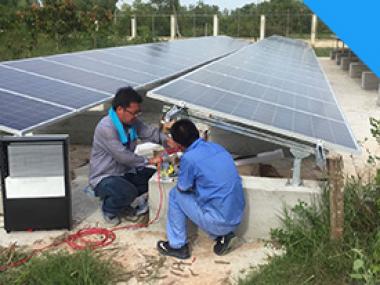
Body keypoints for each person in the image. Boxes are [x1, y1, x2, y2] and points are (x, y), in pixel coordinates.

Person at [157, 119, 245, 259]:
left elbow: (183, 187)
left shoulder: (190, 158)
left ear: (178, 143)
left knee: (175, 194)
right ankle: (224, 237)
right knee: (207, 193)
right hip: (236, 216)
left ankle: (177, 246)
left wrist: (181, 168)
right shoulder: (217, 147)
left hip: (219, 221)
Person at [89, 86, 169, 225]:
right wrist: (149, 160)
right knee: (128, 192)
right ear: (120, 109)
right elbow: (123, 156)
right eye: (133, 113)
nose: (136, 116)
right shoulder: (106, 127)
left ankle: (122, 199)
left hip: (125, 171)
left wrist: (168, 141)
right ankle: (109, 208)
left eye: (138, 113)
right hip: (105, 176)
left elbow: (149, 132)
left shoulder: (131, 122)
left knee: (155, 178)